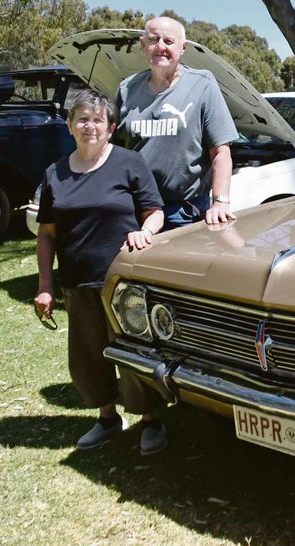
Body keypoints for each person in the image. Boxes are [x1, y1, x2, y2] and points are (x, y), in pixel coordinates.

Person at [33, 89, 166, 454]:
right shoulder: (55, 173)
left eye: (97, 120)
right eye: (82, 119)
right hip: (77, 281)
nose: (90, 126)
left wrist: (146, 231)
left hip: (124, 280)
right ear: (70, 125)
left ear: (111, 127)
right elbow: (46, 234)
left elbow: (155, 212)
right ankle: (108, 418)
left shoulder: (129, 163)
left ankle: (151, 420)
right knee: (89, 356)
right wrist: (46, 284)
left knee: (133, 352)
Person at [114, 16, 238, 230]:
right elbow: (113, 152)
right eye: (153, 40)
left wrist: (220, 202)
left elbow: (220, 153)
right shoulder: (126, 89)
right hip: (136, 211)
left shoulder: (202, 85)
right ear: (143, 45)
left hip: (186, 213)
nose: (160, 46)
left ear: (183, 47)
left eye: (168, 41)